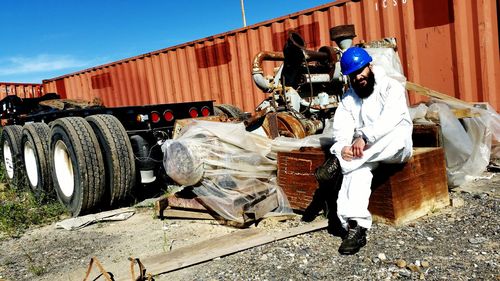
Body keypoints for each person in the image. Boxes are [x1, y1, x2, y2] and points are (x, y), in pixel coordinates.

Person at [329, 47, 413, 255]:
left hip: (394, 146)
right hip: (365, 155)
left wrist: (363, 137)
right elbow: (341, 131)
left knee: (393, 135)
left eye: (361, 71)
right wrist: (343, 147)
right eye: (353, 75)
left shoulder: (390, 87)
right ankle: (356, 227)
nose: (358, 77)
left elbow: (391, 118)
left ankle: (338, 163)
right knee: (357, 170)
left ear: (370, 67)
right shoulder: (349, 100)